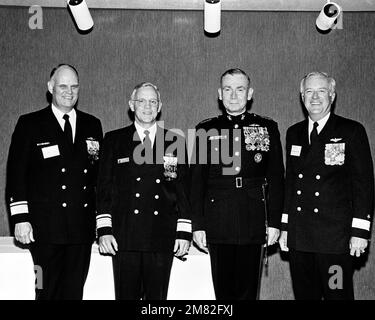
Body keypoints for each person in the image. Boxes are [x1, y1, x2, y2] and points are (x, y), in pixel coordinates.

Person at [7, 64, 103, 299]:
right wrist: (20, 218)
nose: (69, 92)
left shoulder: (92, 124)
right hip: (44, 230)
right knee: (44, 289)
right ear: (50, 87)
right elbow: (16, 174)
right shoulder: (30, 123)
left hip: (81, 228)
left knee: (74, 292)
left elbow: (97, 177)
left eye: (74, 86)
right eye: (62, 86)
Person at [190, 68, 284, 300]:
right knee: (223, 293)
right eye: (228, 89)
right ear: (219, 94)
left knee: (248, 292)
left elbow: (276, 179)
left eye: (240, 89)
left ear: (249, 93)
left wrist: (274, 222)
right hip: (218, 222)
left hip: (253, 221)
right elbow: (196, 181)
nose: (233, 95)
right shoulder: (206, 129)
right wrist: (198, 225)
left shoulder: (266, 128)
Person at [279, 71, 374, 300]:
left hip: (335, 240)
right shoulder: (294, 133)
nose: (315, 97)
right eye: (309, 91)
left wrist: (360, 231)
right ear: (302, 97)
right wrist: (285, 227)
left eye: (321, 91)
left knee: (337, 293)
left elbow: (364, 183)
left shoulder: (351, 131)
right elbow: (291, 183)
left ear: (332, 95)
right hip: (301, 237)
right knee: (305, 296)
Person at [96, 82, 191, 300]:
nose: (147, 106)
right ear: (132, 105)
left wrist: (183, 231)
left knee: (157, 301)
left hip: (161, 235)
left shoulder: (175, 140)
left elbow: (182, 188)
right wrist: (104, 229)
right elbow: (104, 187)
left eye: (152, 102)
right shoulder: (114, 140)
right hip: (125, 236)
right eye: (141, 101)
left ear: (159, 107)